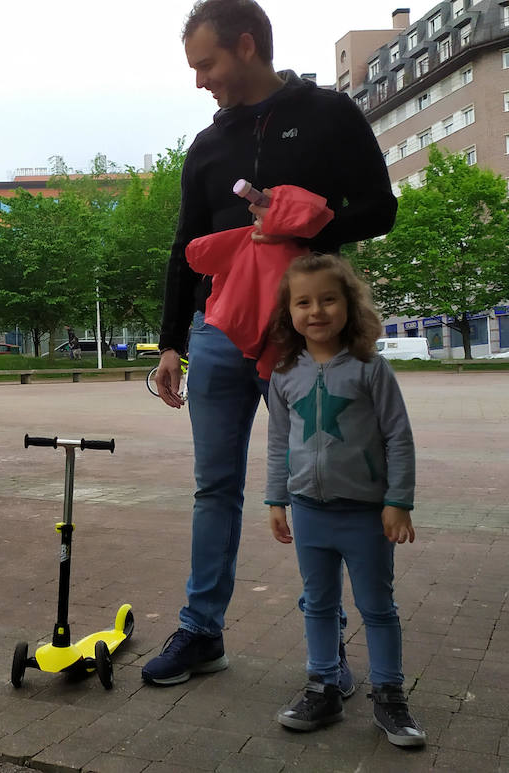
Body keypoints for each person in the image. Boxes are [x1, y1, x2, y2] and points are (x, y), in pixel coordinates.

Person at [144, 0, 397, 686]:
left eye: (208, 63)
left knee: (323, 488)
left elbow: (382, 206)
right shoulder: (206, 146)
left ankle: (328, 653)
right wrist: (172, 341)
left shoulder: (328, 115)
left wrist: (309, 220)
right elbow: (182, 248)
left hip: (306, 335)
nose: (200, 80)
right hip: (219, 334)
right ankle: (202, 631)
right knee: (213, 487)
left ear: (247, 46)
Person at [264, 253, 425, 747]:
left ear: (349, 306)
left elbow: (398, 437)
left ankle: (390, 696)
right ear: (288, 313)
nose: (316, 311)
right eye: (303, 302)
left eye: (328, 299)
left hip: (365, 514)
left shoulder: (370, 369)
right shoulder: (283, 373)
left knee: (377, 606)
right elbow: (276, 440)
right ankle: (324, 686)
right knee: (318, 603)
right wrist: (276, 498)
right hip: (309, 511)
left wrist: (398, 501)